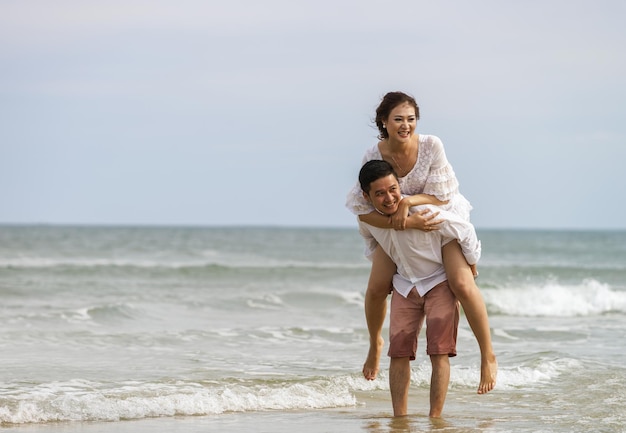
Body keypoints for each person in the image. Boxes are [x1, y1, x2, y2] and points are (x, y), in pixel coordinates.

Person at [346, 91, 497, 394]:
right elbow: (363, 211)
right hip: (400, 227)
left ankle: (488, 355)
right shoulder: (372, 155)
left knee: (463, 284)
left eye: (411, 119)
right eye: (398, 119)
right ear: (384, 123)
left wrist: (408, 203)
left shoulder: (431, 145)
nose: (405, 125)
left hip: (436, 218)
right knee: (376, 288)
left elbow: (443, 196)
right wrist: (404, 220)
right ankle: (375, 343)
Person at [358, 159, 481, 417]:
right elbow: (372, 244)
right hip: (404, 284)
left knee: (439, 352)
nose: (389, 198)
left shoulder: (423, 212)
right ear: (367, 196)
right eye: (379, 194)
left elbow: (465, 230)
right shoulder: (369, 221)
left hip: (438, 281)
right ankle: (399, 419)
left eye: (393, 189)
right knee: (399, 354)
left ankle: (435, 418)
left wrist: (471, 262)